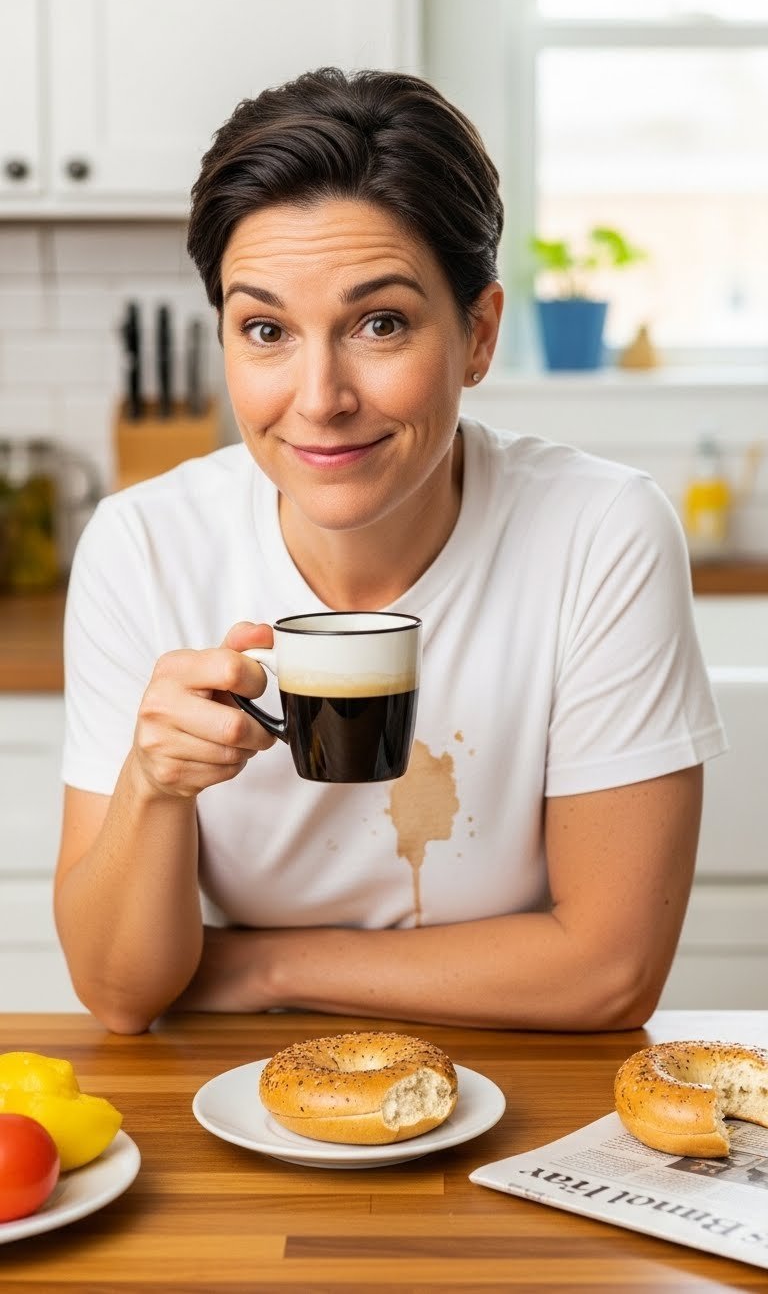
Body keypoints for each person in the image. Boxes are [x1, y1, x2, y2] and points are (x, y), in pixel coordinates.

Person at [54, 67, 726, 1035]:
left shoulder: (602, 537)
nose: (320, 396)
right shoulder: (143, 548)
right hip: (230, 1108)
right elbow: (119, 994)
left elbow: (611, 969)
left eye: (380, 324)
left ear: (480, 335)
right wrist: (153, 786)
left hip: (515, 1100)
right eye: (267, 330)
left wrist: (255, 966)